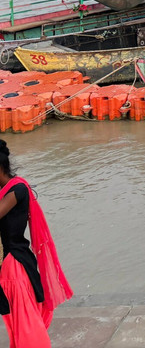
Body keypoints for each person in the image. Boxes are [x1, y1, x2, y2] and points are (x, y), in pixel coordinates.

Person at [0, 139, 72, 346]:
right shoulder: (7, 190)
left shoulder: (17, 190)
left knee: (26, 325)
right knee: (18, 323)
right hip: (14, 263)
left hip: (15, 265)